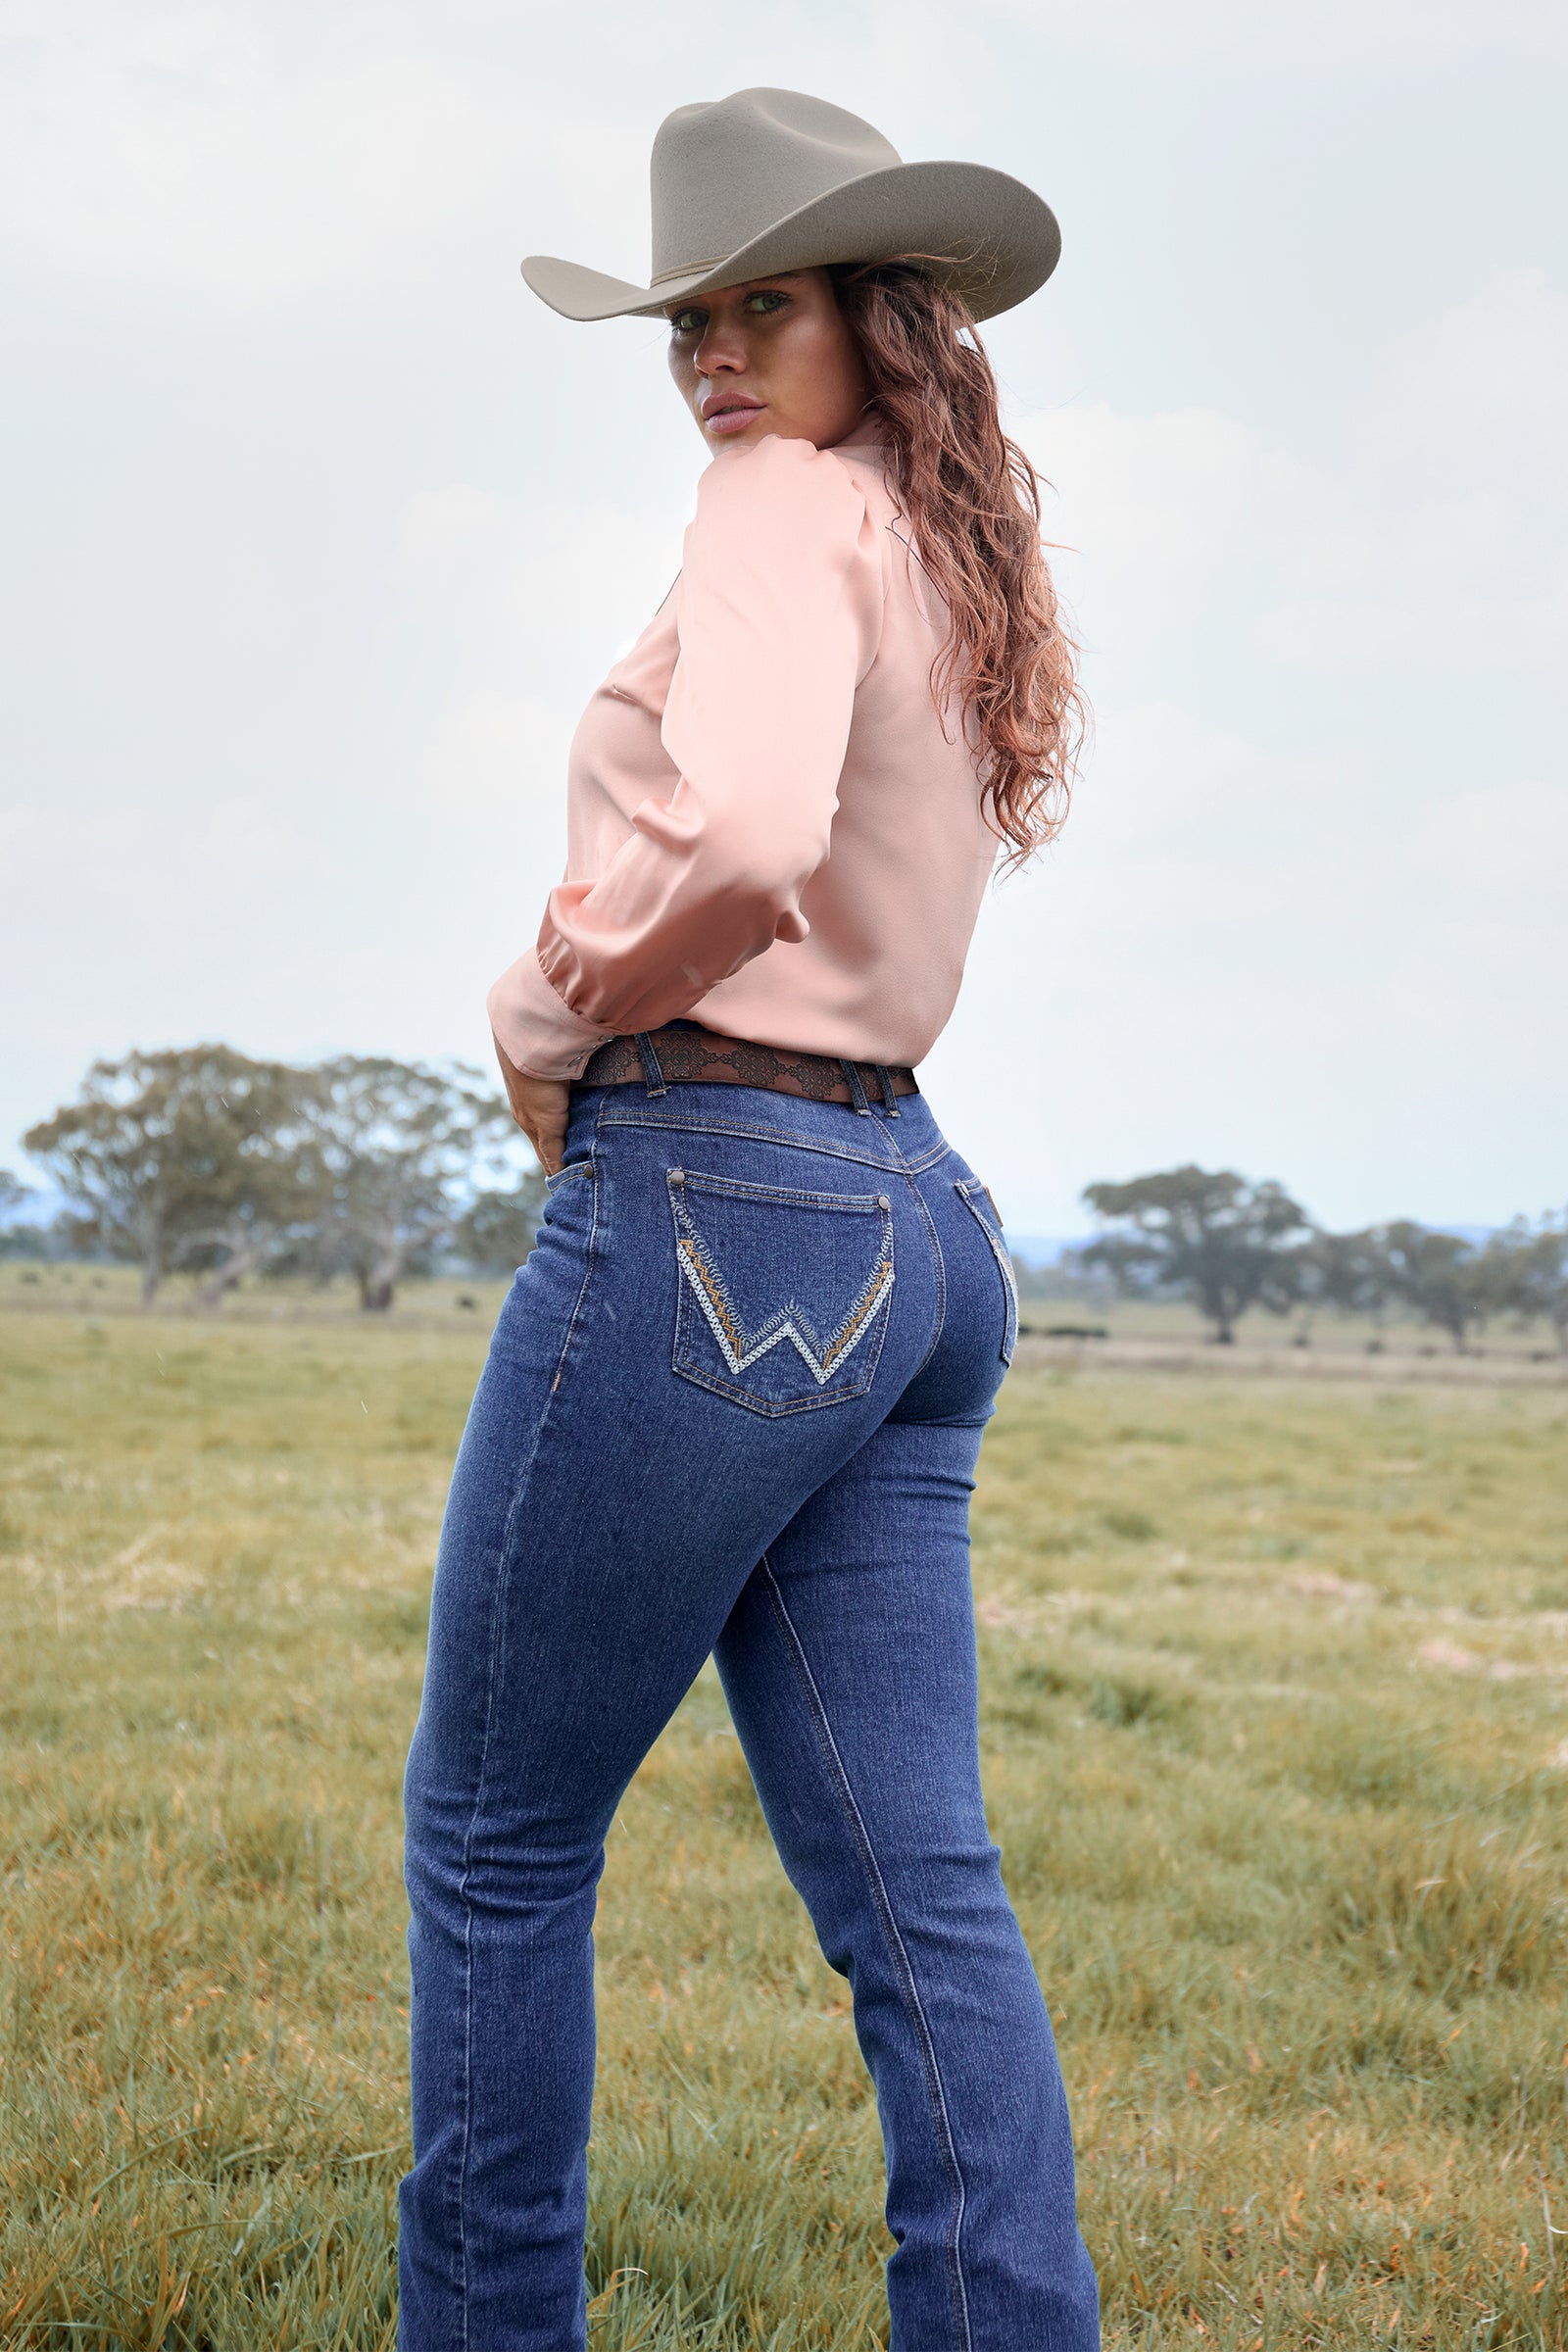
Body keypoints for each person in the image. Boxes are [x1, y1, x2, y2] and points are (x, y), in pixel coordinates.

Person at [397, 85, 1101, 2352]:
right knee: (923, 1896)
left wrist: (544, 1003)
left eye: (757, 305)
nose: (712, 355)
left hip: (723, 1196)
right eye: (686, 319)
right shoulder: (934, 530)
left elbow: (740, 834)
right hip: (912, 1225)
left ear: (868, 318)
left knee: (498, 1846)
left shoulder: (775, 502)